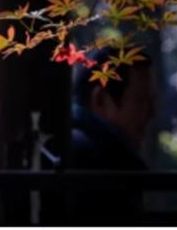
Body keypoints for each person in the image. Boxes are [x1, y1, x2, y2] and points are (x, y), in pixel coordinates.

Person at [66, 46, 156, 225]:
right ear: (100, 100)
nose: (152, 113)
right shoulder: (96, 166)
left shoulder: (101, 157)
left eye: (151, 102)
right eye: (141, 100)